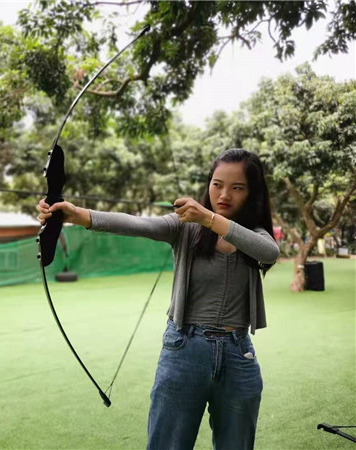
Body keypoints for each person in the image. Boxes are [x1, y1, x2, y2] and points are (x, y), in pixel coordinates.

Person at [36, 148, 279, 450]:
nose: (224, 194)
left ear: (251, 193)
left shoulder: (253, 235)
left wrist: (209, 217)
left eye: (237, 187)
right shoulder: (185, 226)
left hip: (238, 353)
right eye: (216, 184)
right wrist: (78, 215)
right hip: (185, 349)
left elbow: (269, 252)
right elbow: (137, 224)